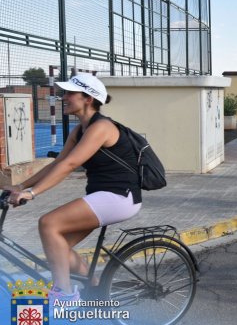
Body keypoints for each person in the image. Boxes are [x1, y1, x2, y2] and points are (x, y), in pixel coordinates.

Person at [3, 74, 142, 303]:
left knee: (49, 223)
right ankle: (97, 290)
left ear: (88, 98)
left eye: (69, 93)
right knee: (59, 248)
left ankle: (65, 295)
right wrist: (20, 185)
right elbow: (58, 162)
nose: (63, 97)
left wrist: (32, 193)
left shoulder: (102, 127)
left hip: (119, 197)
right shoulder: (80, 130)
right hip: (103, 196)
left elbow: (69, 165)